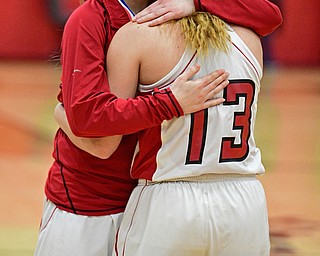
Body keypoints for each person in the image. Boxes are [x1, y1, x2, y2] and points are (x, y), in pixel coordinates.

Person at [35, 0, 282, 256]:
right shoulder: (94, 17)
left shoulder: (147, 31)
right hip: (90, 202)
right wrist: (171, 102)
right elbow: (100, 140)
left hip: (158, 198)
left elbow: (270, 14)